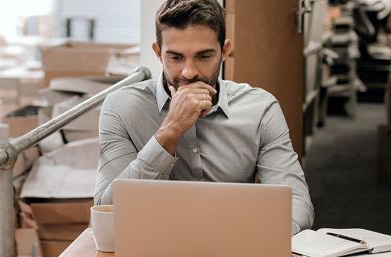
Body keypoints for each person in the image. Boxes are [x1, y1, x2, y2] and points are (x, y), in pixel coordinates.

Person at [93, 0, 314, 234]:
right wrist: (169, 131)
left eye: (204, 56)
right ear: (158, 53)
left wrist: (251, 238)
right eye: (175, 58)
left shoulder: (261, 108)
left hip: (237, 244)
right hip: (152, 246)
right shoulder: (121, 107)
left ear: (225, 51)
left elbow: (297, 205)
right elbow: (108, 212)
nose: (189, 72)